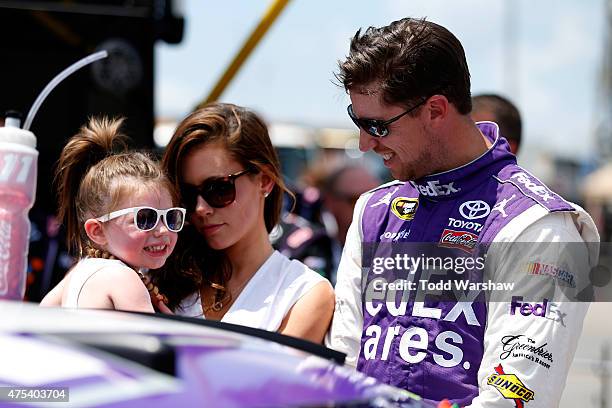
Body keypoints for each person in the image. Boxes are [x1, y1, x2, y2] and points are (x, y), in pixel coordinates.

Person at [326, 17, 599, 406]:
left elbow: (516, 396)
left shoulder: (538, 225)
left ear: (436, 110)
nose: (364, 143)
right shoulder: (374, 210)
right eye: (358, 120)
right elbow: (344, 361)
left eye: (377, 125)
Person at [151, 102, 334, 344]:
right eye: (187, 193)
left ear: (265, 180)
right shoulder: (159, 272)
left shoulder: (303, 292)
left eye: (218, 188)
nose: (200, 208)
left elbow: (272, 381)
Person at [40, 117, 183, 312]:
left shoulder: (76, 272)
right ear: (97, 231)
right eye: (145, 219)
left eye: (171, 217)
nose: (163, 229)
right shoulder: (124, 278)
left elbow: (43, 312)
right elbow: (153, 341)